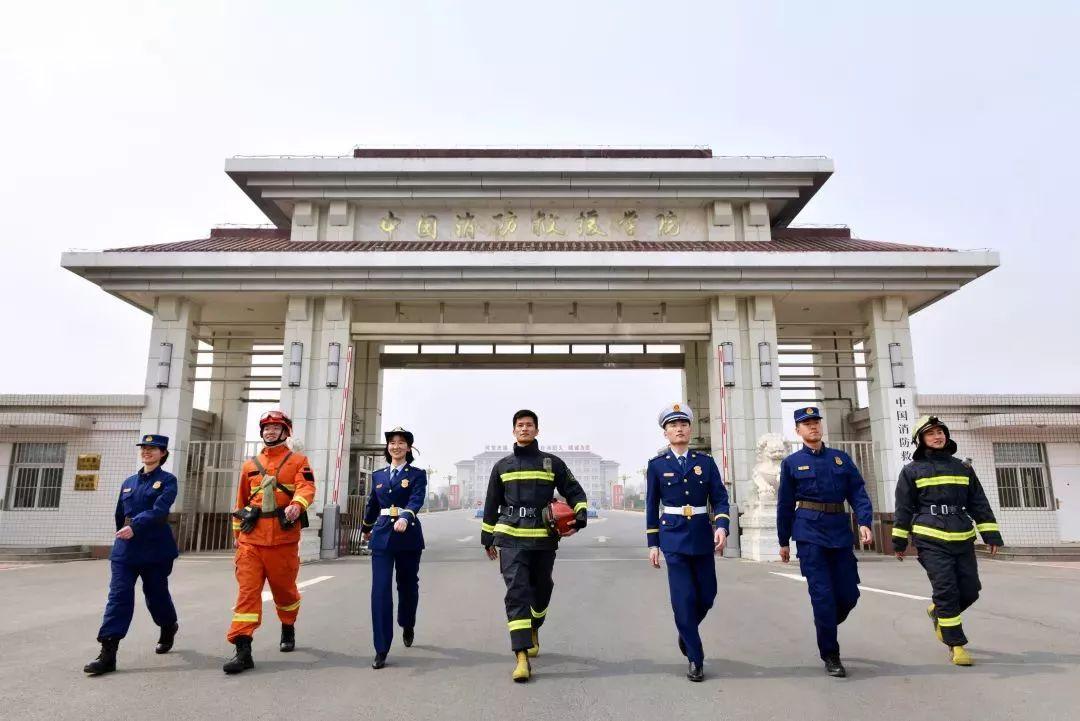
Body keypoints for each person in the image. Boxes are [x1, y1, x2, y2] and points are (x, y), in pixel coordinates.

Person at [480, 409, 588, 682]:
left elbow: (574, 491)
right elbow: (491, 503)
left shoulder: (552, 464)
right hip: (510, 536)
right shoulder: (502, 466)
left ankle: (534, 625)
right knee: (516, 592)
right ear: (514, 430)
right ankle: (521, 656)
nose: (524, 428)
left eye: (529, 425)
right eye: (520, 425)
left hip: (543, 537)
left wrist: (580, 516)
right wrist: (487, 537)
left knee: (542, 588)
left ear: (537, 430)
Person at [892, 415, 1004, 666]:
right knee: (946, 590)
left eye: (940, 432)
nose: (937, 436)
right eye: (930, 433)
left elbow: (978, 502)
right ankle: (956, 645)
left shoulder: (963, 468)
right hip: (930, 538)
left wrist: (991, 534)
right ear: (920, 440)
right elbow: (903, 509)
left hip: (962, 536)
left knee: (971, 590)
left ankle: (938, 612)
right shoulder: (911, 471)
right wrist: (899, 542)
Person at [777, 406, 873, 677]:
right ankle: (831, 654)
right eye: (806, 423)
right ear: (798, 430)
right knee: (822, 596)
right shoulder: (792, 463)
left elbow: (858, 492)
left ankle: (826, 622)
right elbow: (785, 504)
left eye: (816, 422)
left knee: (849, 594)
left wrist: (864, 521)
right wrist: (783, 541)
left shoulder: (840, 459)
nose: (813, 426)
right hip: (809, 534)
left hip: (839, 532)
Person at [222, 409, 315, 674]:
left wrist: (297, 504)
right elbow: (241, 502)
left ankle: (288, 625)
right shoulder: (249, 465)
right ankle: (243, 649)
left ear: (286, 432)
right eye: (266, 428)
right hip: (251, 541)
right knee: (247, 594)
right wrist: (238, 538)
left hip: (283, 541)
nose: (270, 432)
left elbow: (306, 487)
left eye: (276, 427)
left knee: (285, 593)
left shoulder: (299, 461)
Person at [644, 403, 729, 682]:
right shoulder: (657, 465)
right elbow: (651, 505)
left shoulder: (705, 462)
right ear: (665, 432)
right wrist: (653, 544)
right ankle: (695, 657)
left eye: (683, 424)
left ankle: (686, 630)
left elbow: (720, 498)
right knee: (683, 598)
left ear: (690, 429)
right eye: (673, 425)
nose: (678, 429)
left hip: (702, 535)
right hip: (673, 537)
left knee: (707, 595)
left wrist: (722, 525)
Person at [84, 434, 180, 676]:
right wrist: (122, 533)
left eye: (152, 448)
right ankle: (108, 653)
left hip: (155, 549)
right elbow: (120, 514)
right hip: (126, 550)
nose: (146, 451)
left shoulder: (168, 481)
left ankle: (168, 626)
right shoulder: (129, 482)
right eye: (144, 448)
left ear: (163, 453)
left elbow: (159, 511)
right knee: (119, 597)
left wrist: (134, 526)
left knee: (156, 595)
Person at [361, 427, 427, 669]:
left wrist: (406, 517)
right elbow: (372, 504)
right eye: (392, 442)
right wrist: (366, 527)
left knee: (407, 586)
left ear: (408, 448)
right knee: (380, 590)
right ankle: (381, 648)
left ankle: (407, 623)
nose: (396, 446)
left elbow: (416, 499)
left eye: (401, 442)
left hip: (408, 535)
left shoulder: (417, 474)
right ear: (387, 447)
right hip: (381, 537)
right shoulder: (378, 475)